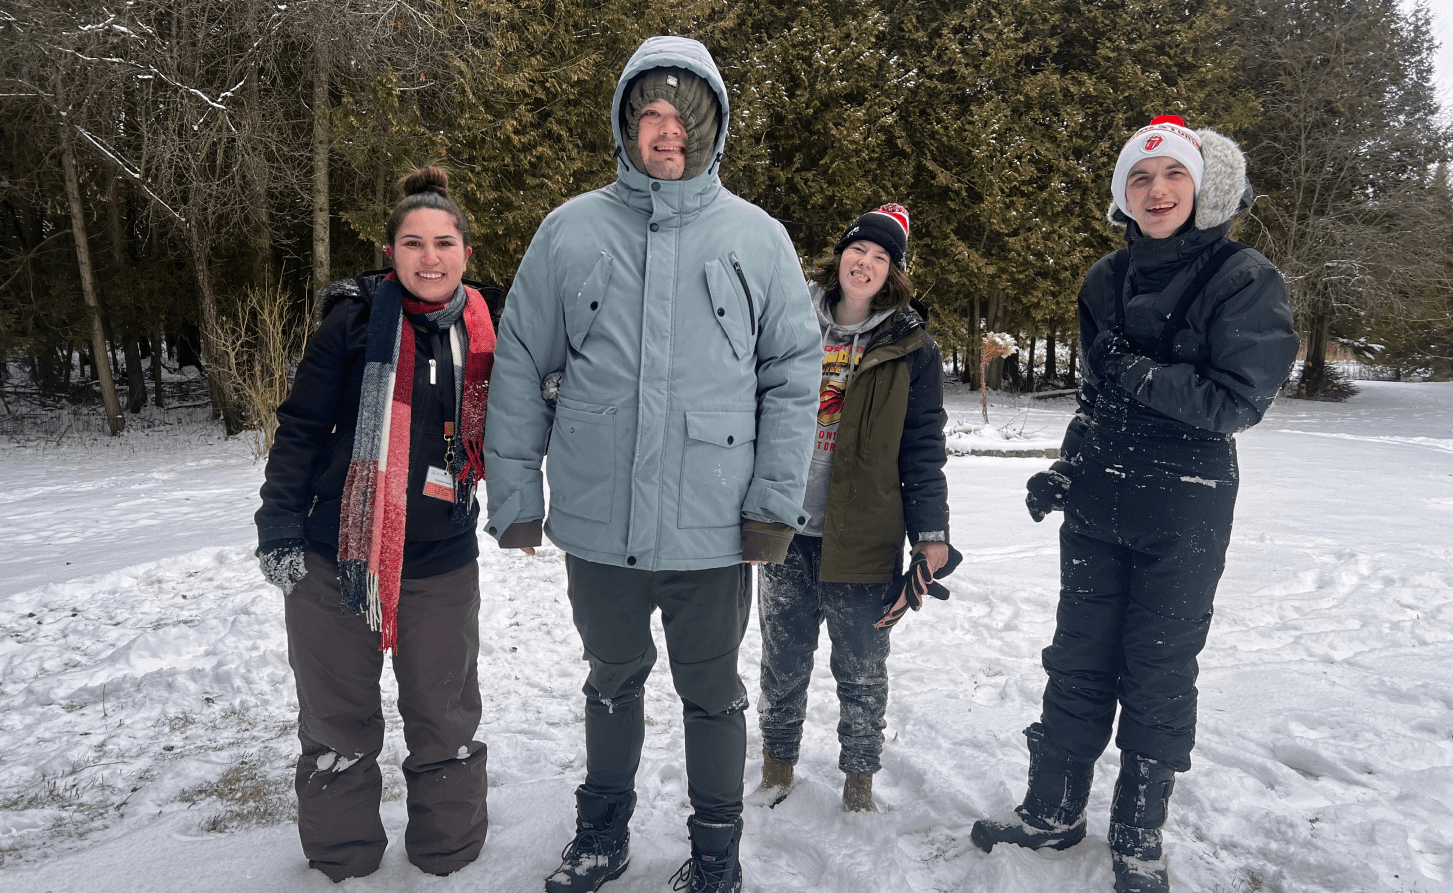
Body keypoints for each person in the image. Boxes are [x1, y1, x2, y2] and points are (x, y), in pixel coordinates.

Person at [483, 36, 820, 893]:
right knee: (610, 681)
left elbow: (790, 375)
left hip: (713, 525)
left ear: (711, 130)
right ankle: (601, 835)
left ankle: (716, 853)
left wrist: (773, 503)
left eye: (683, 118)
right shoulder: (570, 230)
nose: (665, 133)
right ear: (627, 127)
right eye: (650, 116)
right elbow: (521, 360)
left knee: (712, 693)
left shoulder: (757, 237)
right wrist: (517, 493)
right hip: (600, 522)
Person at [970, 117, 1299, 893]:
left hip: (1183, 506)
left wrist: (1137, 372)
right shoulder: (1102, 281)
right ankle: (1050, 812)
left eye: (1172, 176)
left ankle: (1138, 834)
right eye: (1140, 178)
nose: (1156, 191)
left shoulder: (1242, 277)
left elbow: (1236, 401)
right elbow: (1096, 397)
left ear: (1199, 187)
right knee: (1076, 659)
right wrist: (1065, 467)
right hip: (1098, 501)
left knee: (1156, 670)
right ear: (1122, 193)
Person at [254, 167, 494, 882]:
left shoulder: (487, 331)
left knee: (444, 715)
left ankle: (448, 855)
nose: (429, 256)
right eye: (413, 242)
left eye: (443, 242)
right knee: (336, 719)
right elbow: (299, 428)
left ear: (464, 253)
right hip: (340, 559)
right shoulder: (354, 323)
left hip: (441, 559)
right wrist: (279, 529)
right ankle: (343, 856)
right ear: (391, 252)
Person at [753, 204, 960, 813]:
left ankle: (859, 781)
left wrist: (932, 532)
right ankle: (776, 765)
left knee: (863, 671)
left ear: (892, 272)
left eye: (880, 257)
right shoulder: (789, 319)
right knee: (782, 662)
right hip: (784, 532)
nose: (865, 263)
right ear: (839, 254)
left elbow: (923, 446)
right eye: (858, 250)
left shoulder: (911, 347)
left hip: (865, 540)